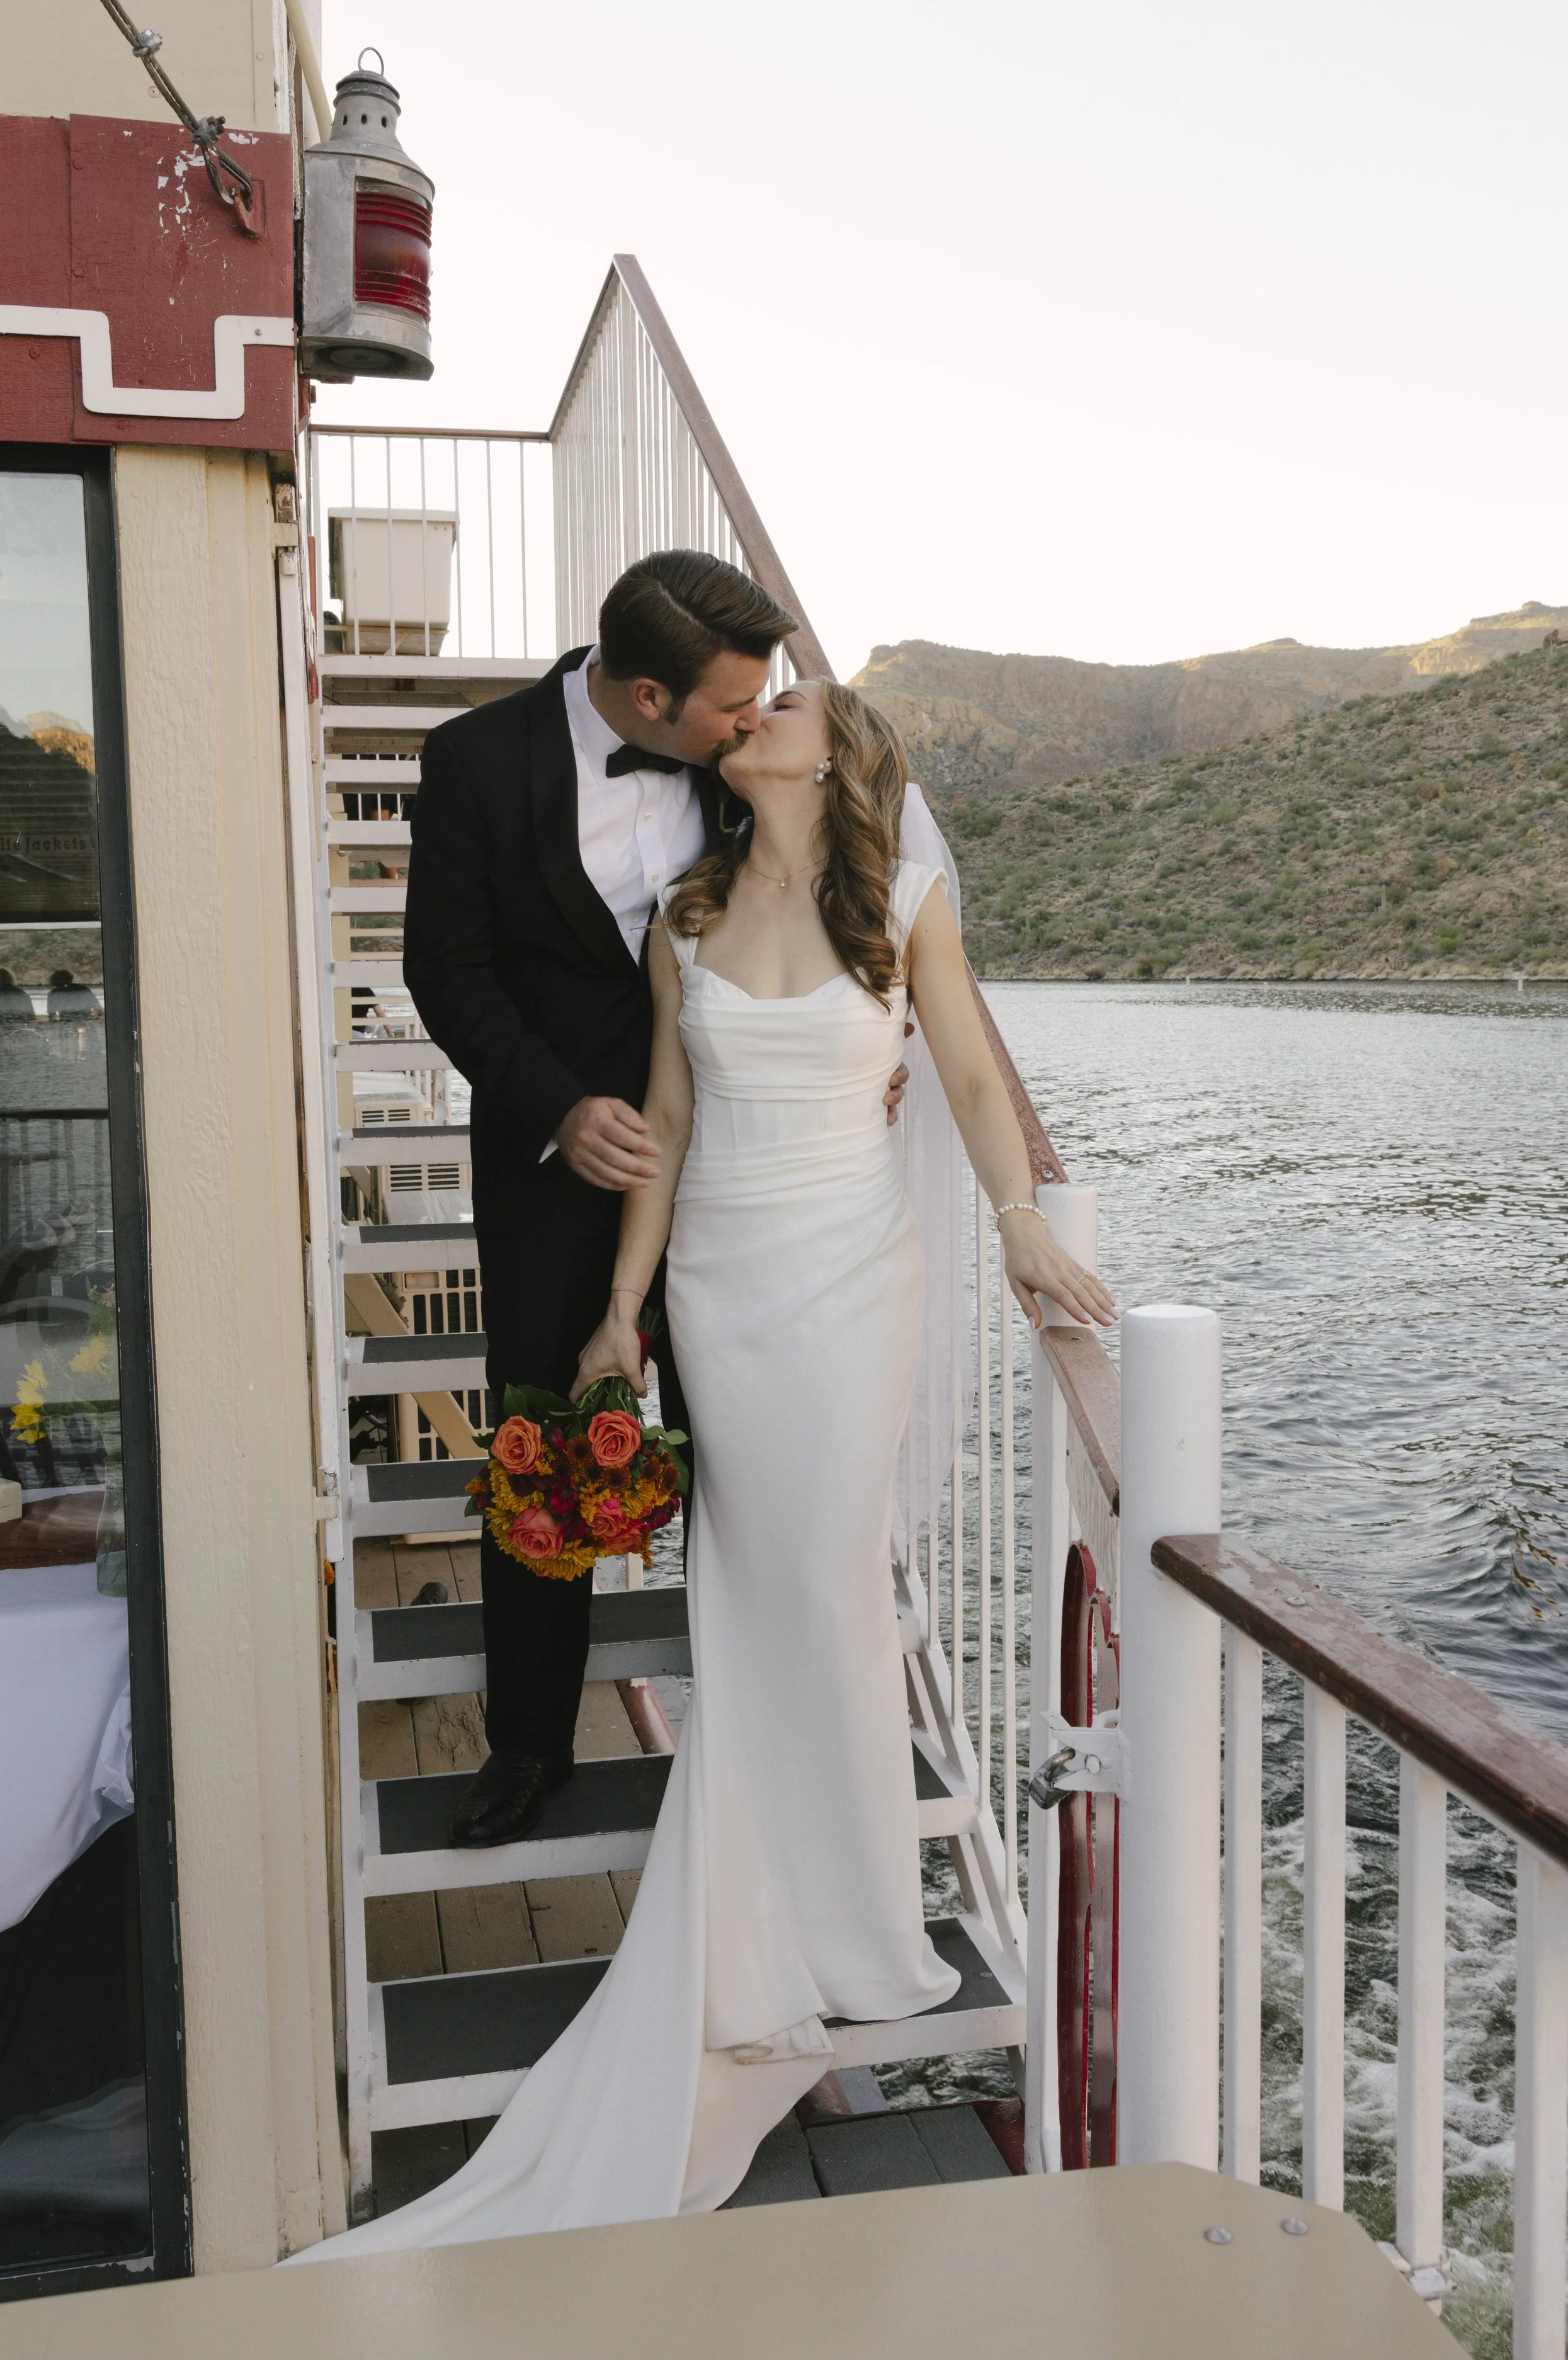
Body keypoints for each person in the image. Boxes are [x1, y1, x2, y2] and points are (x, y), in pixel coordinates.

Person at [291, 677, 1113, 2257]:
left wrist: (1018, 1220)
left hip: (854, 1272)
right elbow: (665, 1111)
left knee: (827, 1574)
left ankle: (857, 1917)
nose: (755, 712)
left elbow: (962, 1076)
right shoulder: (685, 907)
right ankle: (776, 1890)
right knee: (754, 1583)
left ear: (839, 752)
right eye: (742, 700)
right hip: (719, 1284)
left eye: (783, 700)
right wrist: (620, 1305)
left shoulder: (907, 900)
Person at [402, 552, 911, 1850]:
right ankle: (528, 1739)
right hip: (563, 1165)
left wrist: (868, 1038)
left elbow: (833, 884)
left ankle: (758, 1735)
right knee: (544, 1441)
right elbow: (445, 968)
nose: (749, 723)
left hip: (738, 1166)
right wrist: (557, 1107)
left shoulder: (738, 764)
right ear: (646, 697)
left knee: (747, 1453)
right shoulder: (474, 763)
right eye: (730, 704)